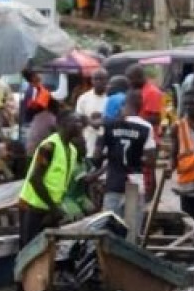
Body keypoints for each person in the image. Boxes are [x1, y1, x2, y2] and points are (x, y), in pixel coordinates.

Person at [20, 112, 85, 249]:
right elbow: (35, 179)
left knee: (48, 250)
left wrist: (55, 208)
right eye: (76, 122)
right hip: (34, 206)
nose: (80, 126)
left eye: (80, 123)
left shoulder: (72, 150)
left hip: (50, 208)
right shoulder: (49, 147)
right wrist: (54, 207)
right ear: (64, 125)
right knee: (29, 249)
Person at [99, 92, 155, 221]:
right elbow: (150, 161)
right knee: (132, 230)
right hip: (135, 182)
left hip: (113, 183)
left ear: (124, 105)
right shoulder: (146, 127)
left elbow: (97, 155)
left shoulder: (109, 126)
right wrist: (136, 157)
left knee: (109, 227)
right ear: (140, 107)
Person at [75, 69, 109, 157]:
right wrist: (90, 121)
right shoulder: (84, 98)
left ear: (107, 80)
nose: (98, 82)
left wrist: (102, 119)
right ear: (92, 80)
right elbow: (78, 119)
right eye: (96, 79)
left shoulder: (111, 98)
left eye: (101, 79)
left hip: (107, 147)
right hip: (88, 143)